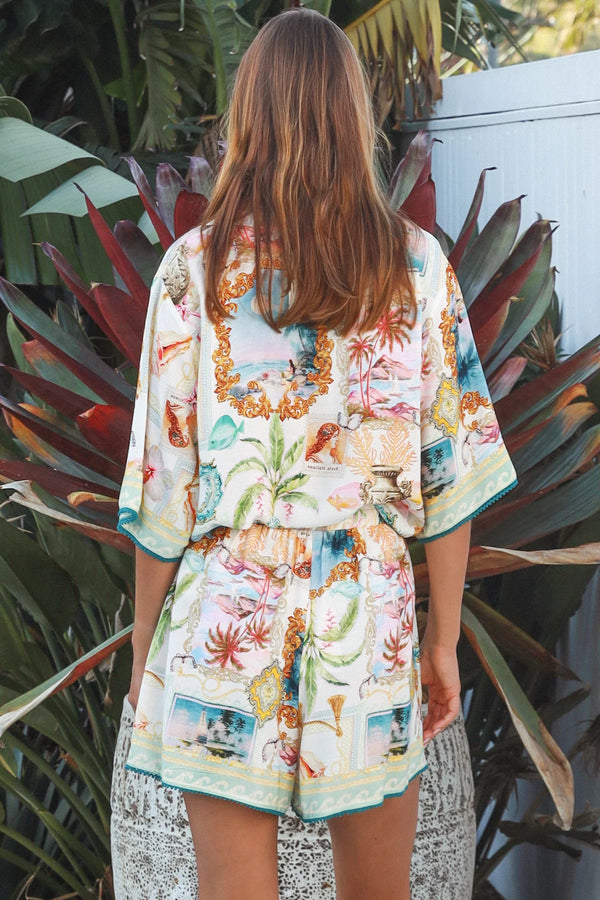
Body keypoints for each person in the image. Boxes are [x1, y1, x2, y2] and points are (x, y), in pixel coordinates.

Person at [117, 9, 516, 900]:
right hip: (366, 613)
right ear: (352, 114)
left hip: (227, 610)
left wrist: (146, 646)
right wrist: (442, 642)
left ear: (248, 115)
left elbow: (163, 488)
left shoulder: (192, 272)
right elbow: (448, 477)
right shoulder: (416, 269)